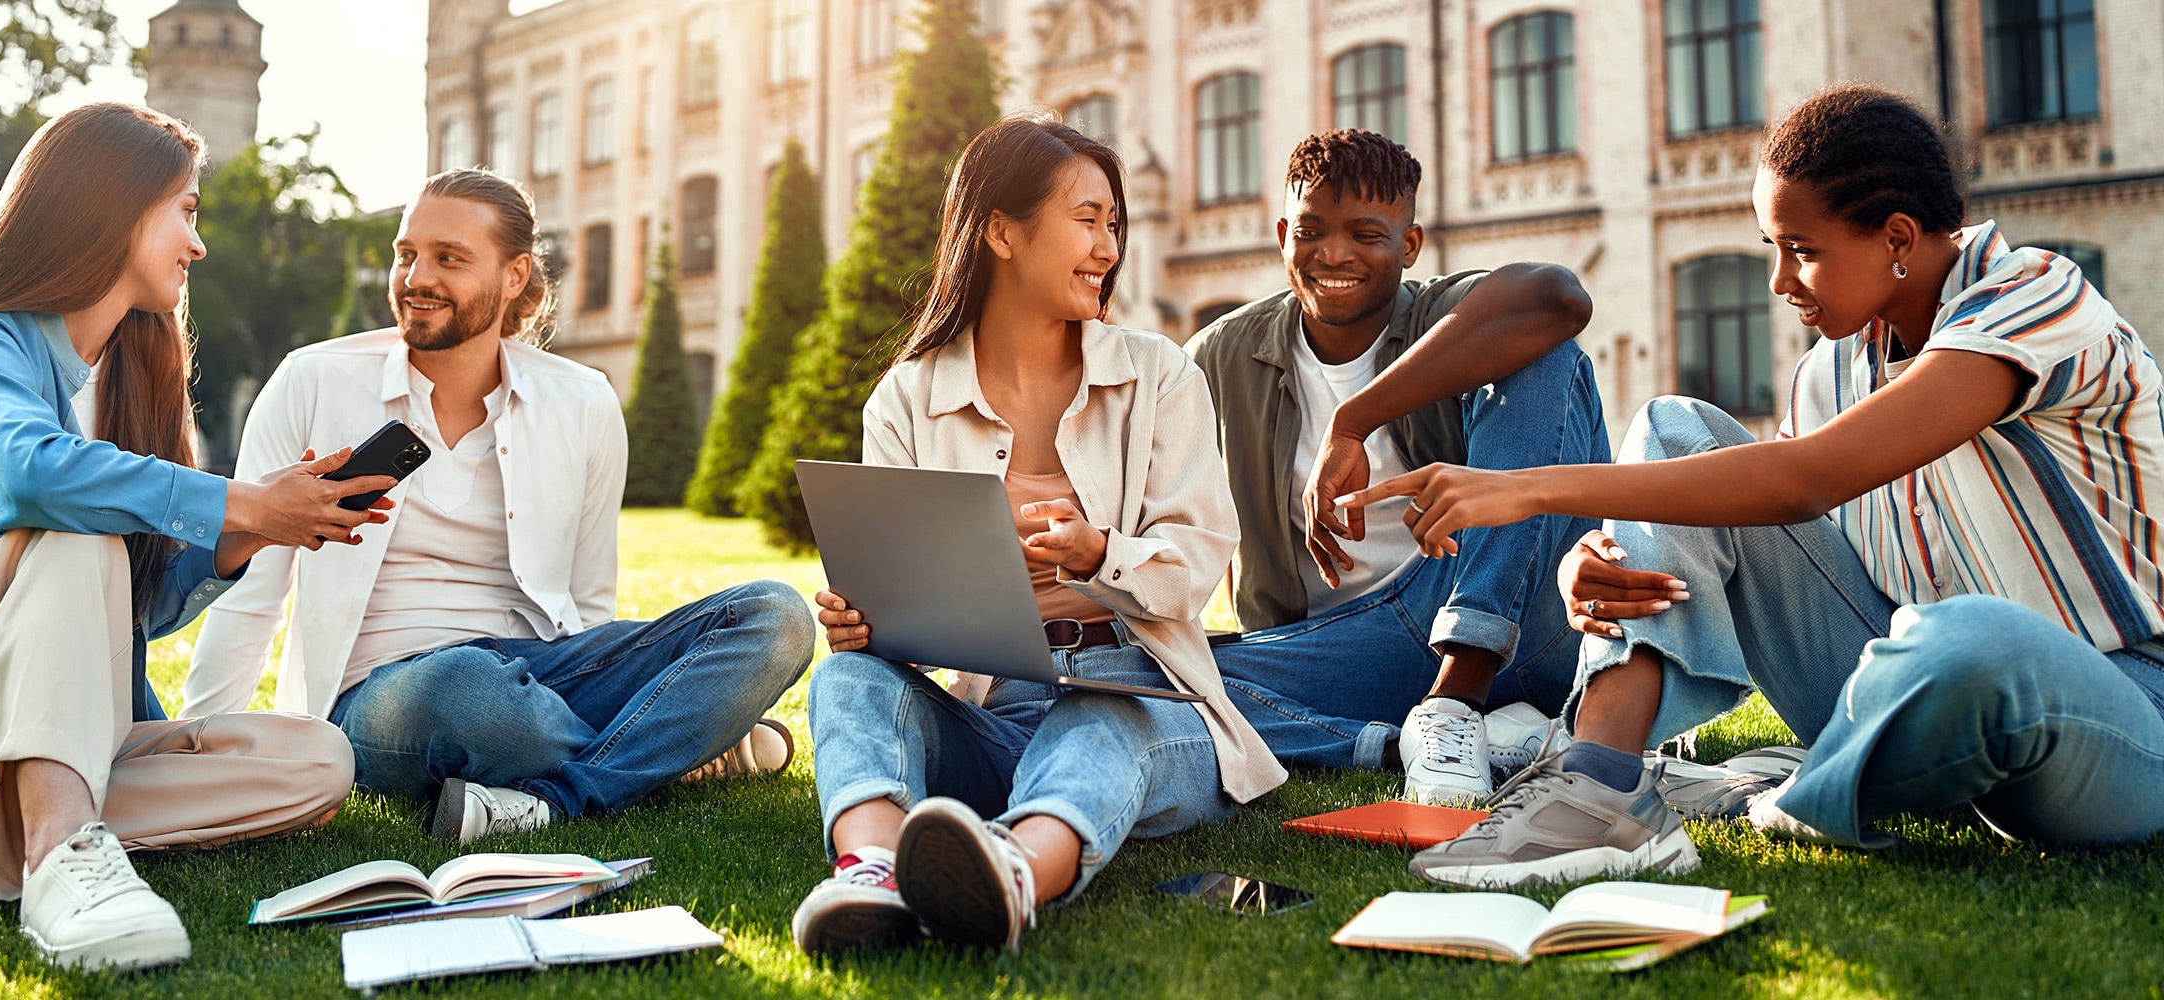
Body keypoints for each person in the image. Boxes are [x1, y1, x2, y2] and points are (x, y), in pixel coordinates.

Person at [1351, 84, 2164, 888]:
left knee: (1972, 639)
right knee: (1675, 429)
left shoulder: (2037, 295)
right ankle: (1599, 784)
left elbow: (1801, 484)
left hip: (2118, 706)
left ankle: (1787, 792)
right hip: (1892, 674)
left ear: (1898, 238)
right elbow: (1732, 516)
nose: (1780, 280)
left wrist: (1530, 490)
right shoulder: (1830, 371)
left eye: (1802, 249)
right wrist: (1588, 563)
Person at [0, 103, 370, 970]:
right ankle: (60, 858)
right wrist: (237, 501)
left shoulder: (139, 379)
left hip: (36, 727)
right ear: (112, 205)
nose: (197, 245)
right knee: (74, 530)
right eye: (187, 210)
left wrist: (251, 536)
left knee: (317, 760)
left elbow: (135, 609)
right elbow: (24, 478)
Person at [183, 169, 813, 845]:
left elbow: (589, 599)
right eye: (406, 254)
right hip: (385, 696)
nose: (416, 277)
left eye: (449, 259)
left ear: (515, 275)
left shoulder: (583, 400)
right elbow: (250, 593)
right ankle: (678, 749)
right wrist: (191, 754)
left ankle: (556, 800)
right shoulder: (313, 381)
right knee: (472, 689)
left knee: (776, 615)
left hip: (546, 673)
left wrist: (580, 687)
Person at [791, 116, 1283, 956]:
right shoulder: (906, 400)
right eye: (1086, 220)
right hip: (1000, 706)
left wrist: (1097, 553)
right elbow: (903, 604)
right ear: (1003, 232)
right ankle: (872, 875)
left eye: (1114, 224)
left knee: (1100, 720)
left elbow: (1198, 564)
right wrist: (869, 624)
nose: (1108, 246)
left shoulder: (1159, 375)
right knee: (846, 682)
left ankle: (1011, 871)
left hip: (1149, 696)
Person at [1186, 130, 1608, 805]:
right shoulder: (1217, 357)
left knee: (1545, 355)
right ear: (1281, 234)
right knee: (1149, 678)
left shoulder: (1449, 317)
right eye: (1311, 230)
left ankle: (1455, 702)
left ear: (1408, 246)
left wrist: (1353, 421)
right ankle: (1406, 742)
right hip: (1343, 650)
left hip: (1506, 613)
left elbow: (1559, 299)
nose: (1334, 254)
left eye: (1365, 234)